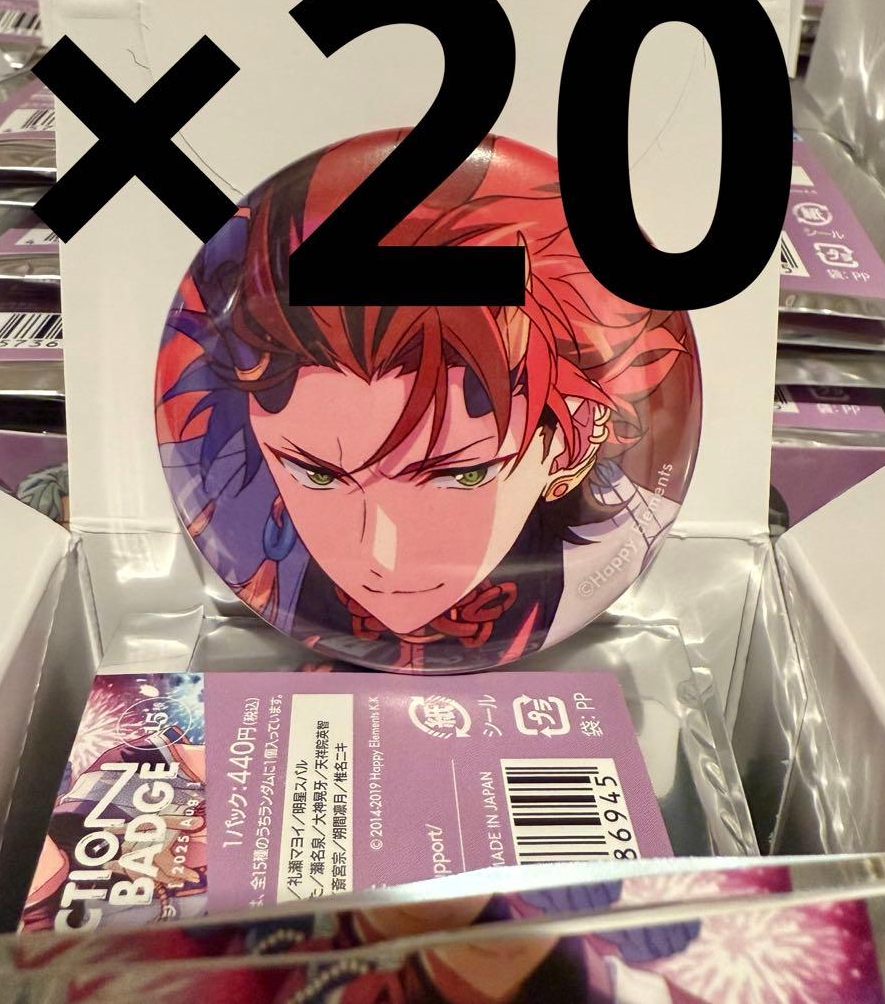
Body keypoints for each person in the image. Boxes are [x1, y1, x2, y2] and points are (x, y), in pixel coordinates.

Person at [157, 132, 698, 671]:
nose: (384, 557)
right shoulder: (247, 536)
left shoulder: (619, 540)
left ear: (573, 444)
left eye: (463, 475)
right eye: (318, 474)